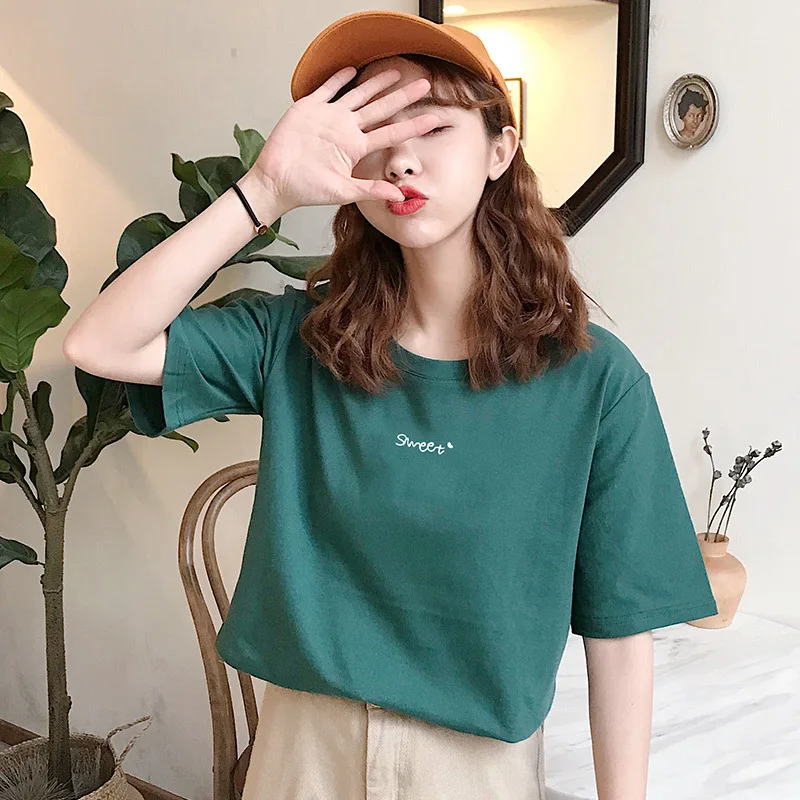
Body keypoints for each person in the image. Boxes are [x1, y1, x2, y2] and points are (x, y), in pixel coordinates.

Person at [62, 9, 718, 800]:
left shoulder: (595, 382)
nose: (401, 158)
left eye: (434, 127)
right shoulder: (300, 338)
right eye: (374, 131)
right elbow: (99, 344)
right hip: (301, 755)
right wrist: (264, 190)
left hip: (476, 772)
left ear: (500, 149)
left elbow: (620, 633)